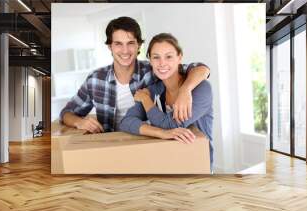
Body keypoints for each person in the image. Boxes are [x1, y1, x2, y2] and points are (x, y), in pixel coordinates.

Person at [60, 16, 210, 133]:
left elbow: (200, 68)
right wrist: (79, 122)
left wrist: (186, 90)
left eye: (130, 43)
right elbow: (67, 113)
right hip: (109, 146)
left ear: (138, 45)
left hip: (145, 143)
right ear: (110, 46)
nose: (125, 51)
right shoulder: (95, 80)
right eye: (118, 44)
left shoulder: (154, 70)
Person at [119, 33, 214, 171]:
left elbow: (170, 124)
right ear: (150, 61)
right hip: (166, 166)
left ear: (179, 57)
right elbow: (126, 122)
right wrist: (161, 133)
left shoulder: (201, 89)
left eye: (169, 56)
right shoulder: (153, 90)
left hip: (198, 166)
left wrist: (146, 100)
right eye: (156, 57)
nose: (162, 63)